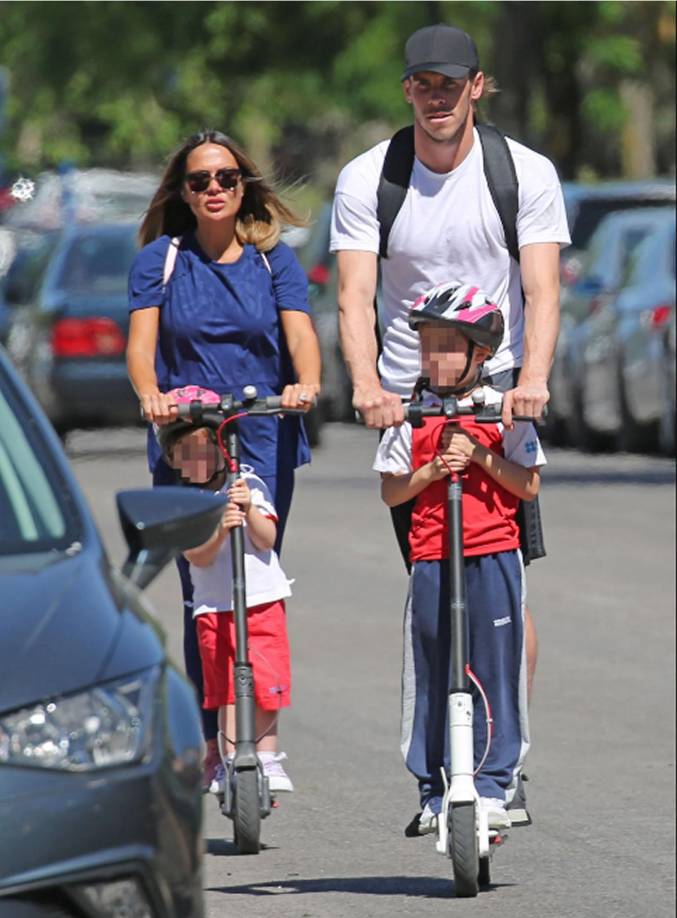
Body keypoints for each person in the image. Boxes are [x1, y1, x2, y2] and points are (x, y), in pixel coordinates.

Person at [331, 23, 570, 807]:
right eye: (422, 85)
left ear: (477, 86)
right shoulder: (370, 178)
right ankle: (441, 764)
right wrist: (366, 386)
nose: (436, 99)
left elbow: (539, 290)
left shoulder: (521, 172)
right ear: (407, 90)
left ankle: (504, 763)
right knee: (434, 594)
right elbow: (354, 296)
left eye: (450, 84)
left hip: (496, 394)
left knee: (506, 590)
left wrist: (531, 381)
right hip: (411, 402)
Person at [127, 130, 321, 790]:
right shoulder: (161, 260)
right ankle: (216, 742)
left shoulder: (272, 260)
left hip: (262, 434)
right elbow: (141, 346)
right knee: (203, 594)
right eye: (200, 180)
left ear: (244, 186)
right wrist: (150, 394)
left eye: (226, 178)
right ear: (182, 193)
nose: (214, 189)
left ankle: (261, 743)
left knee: (257, 583)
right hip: (188, 441)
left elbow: (301, 335)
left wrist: (305, 384)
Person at [373, 283, 546, 833]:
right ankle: (433, 788)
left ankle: (495, 784)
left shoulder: (503, 411)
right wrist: (430, 471)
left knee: (496, 670)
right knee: (431, 670)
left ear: (481, 352)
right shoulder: (411, 414)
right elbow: (392, 492)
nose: (434, 357)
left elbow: (529, 485)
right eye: (427, 345)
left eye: (447, 346)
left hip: (493, 554)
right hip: (431, 556)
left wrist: (479, 455)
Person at [158, 411, 294, 794]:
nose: (196, 461)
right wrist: (219, 531)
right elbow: (196, 557)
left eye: (203, 450)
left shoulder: (248, 485)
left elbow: (267, 539)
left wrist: (249, 509)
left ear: (223, 451)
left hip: (261, 601)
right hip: (214, 608)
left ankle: (267, 755)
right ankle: (231, 758)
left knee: (265, 681)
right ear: (173, 461)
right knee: (227, 688)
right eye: (185, 454)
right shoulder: (186, 503)